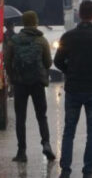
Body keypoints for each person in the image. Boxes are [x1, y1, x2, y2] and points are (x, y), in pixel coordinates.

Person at [54, 0, 92, 178]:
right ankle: (88, 171)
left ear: (79, 14)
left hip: (73, 88)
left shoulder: (68, 37)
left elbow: (58, 61)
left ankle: (65, 170)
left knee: (69, 131)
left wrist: (69, 71)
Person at [3, 11, 55, 162]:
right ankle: (46, 144)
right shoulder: (41, 40)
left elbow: (7, 61)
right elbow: (48, 63)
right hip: (38, 83)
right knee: (41, 116)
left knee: (20, 118)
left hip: (20, 84)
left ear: (23, 23)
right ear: (35, 22)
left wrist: (13, 77)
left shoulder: (14, 40)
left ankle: (21, 152)